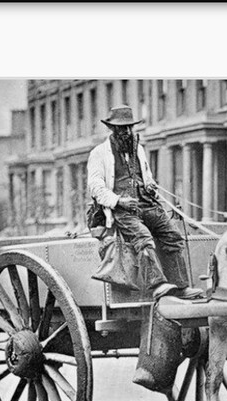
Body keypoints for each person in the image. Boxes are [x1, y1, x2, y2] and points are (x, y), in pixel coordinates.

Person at [87, 105, 203, 300]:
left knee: (173, 235)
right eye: (121, 129)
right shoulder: (99, 153)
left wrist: (150, 186)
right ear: (113, 130)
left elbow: (147, 176)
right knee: (143, 237)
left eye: (129, 128)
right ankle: (157, 284)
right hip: (121, 211)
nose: (126, 132)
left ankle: (181, 287)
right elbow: (96, 188)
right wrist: (119, 201)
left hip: (146, 205)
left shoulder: (138, 149)